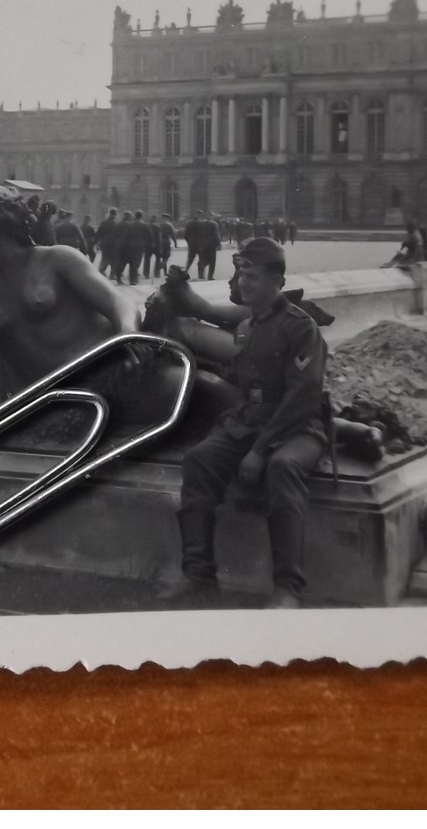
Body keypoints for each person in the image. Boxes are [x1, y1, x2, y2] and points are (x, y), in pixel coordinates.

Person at [158, 237, 328, 610]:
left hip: (297, 427)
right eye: (241, 275)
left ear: (276, 282)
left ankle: (287, 589)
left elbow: (302, 398)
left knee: (283, 468)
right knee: (199, 460)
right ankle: (199, 576)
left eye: (251, 276)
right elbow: (237, 382)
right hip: (250, 422)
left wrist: (259, 450)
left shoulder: (300, 327)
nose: (243, 283)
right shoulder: (247, 328)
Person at [0, 185, 139, 428]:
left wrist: (127, 336)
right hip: (59, 397)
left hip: (115, 373)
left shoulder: (57, 259)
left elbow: (118, 301)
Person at [122, 210, 151, 285]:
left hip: (131, 245)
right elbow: (149, 235)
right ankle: (134, 279)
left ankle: (132, 279)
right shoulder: (144, 225)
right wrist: (148, 243)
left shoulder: (130, 225)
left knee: (132, 262)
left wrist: (126, 245)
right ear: (141, 216)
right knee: (136, 262)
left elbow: (126, 236)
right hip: (140, 246)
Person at [196, 212, 221, 280]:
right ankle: (210, 276)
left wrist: (199, 244)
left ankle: (201, 275)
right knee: (212, 261)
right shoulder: (214, 224)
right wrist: (218, 244)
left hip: (203, 244)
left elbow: (198, 234)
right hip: (212, 245)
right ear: (212, 217)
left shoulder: (201, 223)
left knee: (202, 259)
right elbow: (216, 235)